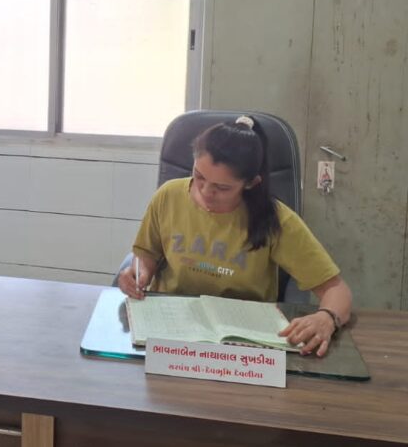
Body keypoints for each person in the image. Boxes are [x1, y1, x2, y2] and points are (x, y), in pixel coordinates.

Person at [116, 116, 352, 357]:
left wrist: (327, 318)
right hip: (172, 331)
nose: (206, 191)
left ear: (251, 183)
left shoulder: (276, 219)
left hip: (242, 343)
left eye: (222, 187)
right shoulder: (168, 196)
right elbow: (146, 254)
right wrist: (139, 272)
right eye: (199, 176)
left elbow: (337, 291)